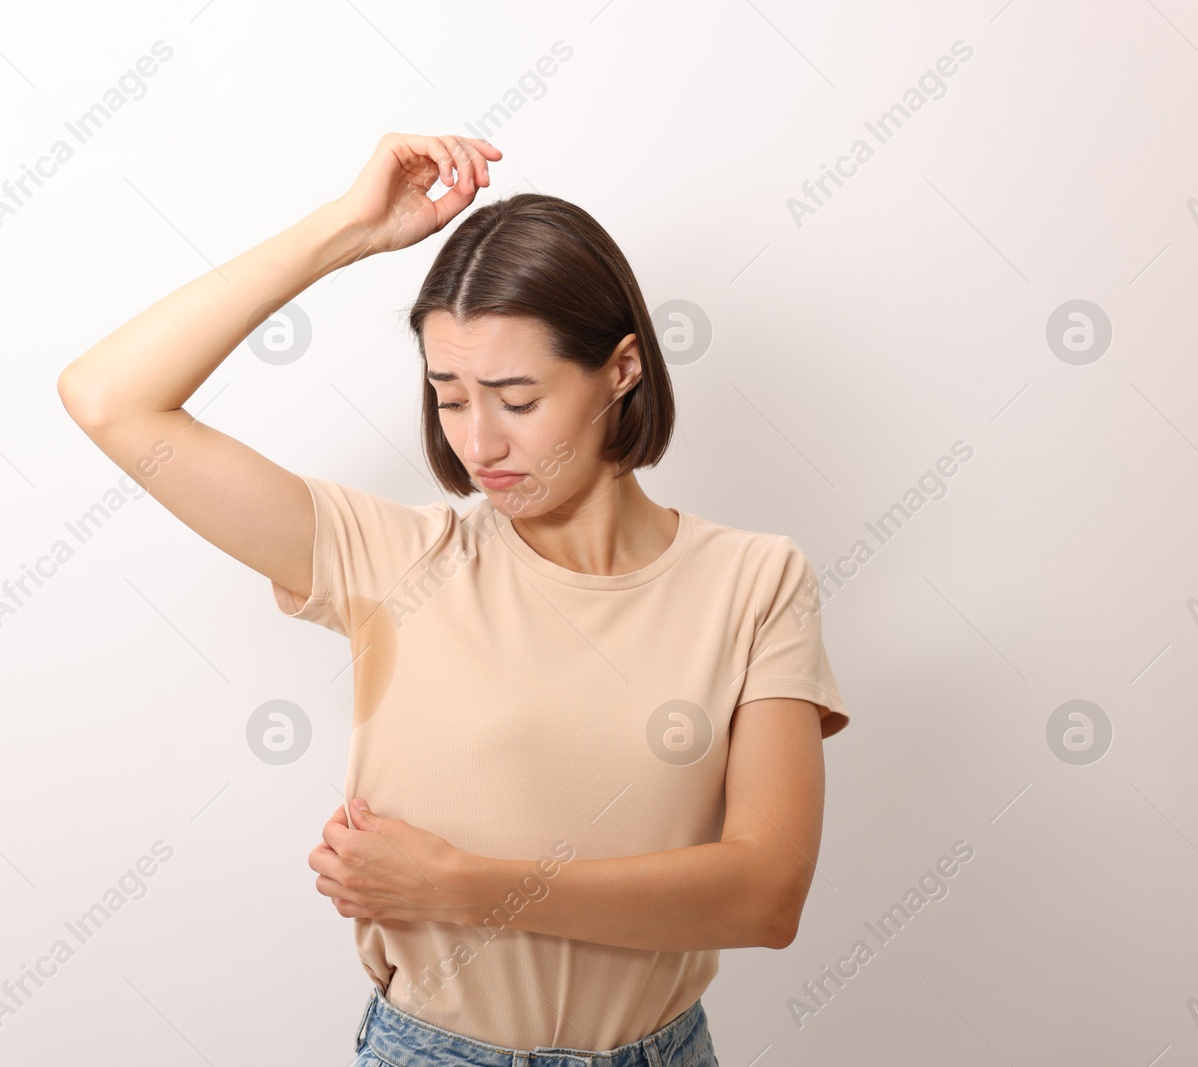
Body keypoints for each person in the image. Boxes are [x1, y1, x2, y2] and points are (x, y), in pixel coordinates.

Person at [57, 132, 850, 1066]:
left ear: (623, 368)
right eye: (448, 395)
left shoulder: (756, 580)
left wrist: (466, 888)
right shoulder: (394, 560)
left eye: (517, 397)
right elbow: (110, 397)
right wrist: (345, 230)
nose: (481, 442)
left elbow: (766, 897)